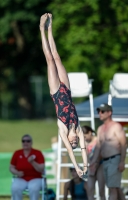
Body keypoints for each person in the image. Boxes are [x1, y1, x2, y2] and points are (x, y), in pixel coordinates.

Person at [39, 13, 88, 179]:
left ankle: (41, 28)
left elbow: (70, 151)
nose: (74, 142)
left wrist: (77, 167)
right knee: (57, 57)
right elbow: (83, 148)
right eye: (75, 143)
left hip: (56, 92)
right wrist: (85, 166)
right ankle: (50, 27)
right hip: (66, 89)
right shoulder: (78, 127)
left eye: (72, 142)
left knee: (50, 60)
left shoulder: (63, 129)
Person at [90, 103, 127, 200]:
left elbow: (123, 144)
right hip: (105, 162)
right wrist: (92, 162)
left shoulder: (116, 126)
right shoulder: (100, 129)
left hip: (115, 159)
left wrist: (122, 161)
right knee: (114, 188)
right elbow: (98, 147)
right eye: (99, 111)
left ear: (109, 113)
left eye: (102, 111)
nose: (100, 114)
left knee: (112, 188)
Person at [10, 134, 45, 200]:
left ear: (31, 142)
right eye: (23, 141)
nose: (25, 143)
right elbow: (11, 167)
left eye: (28, 141)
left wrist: (33, 162)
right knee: (15, 187)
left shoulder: (37, 153)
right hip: (21, 178)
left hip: (36, 178)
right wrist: (17, 173)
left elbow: (41, 169)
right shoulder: (17, 153)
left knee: (33, 188)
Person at [82, 125, 106, 200]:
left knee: (101, 190)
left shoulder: (97, 140)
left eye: (85, 136)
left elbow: (102, 153)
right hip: (91, 166)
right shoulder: (84, 143)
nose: (84, 138)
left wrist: (96, 163)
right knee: (89, 189)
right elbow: (85, 155)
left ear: (89, 133)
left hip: (100, 165)